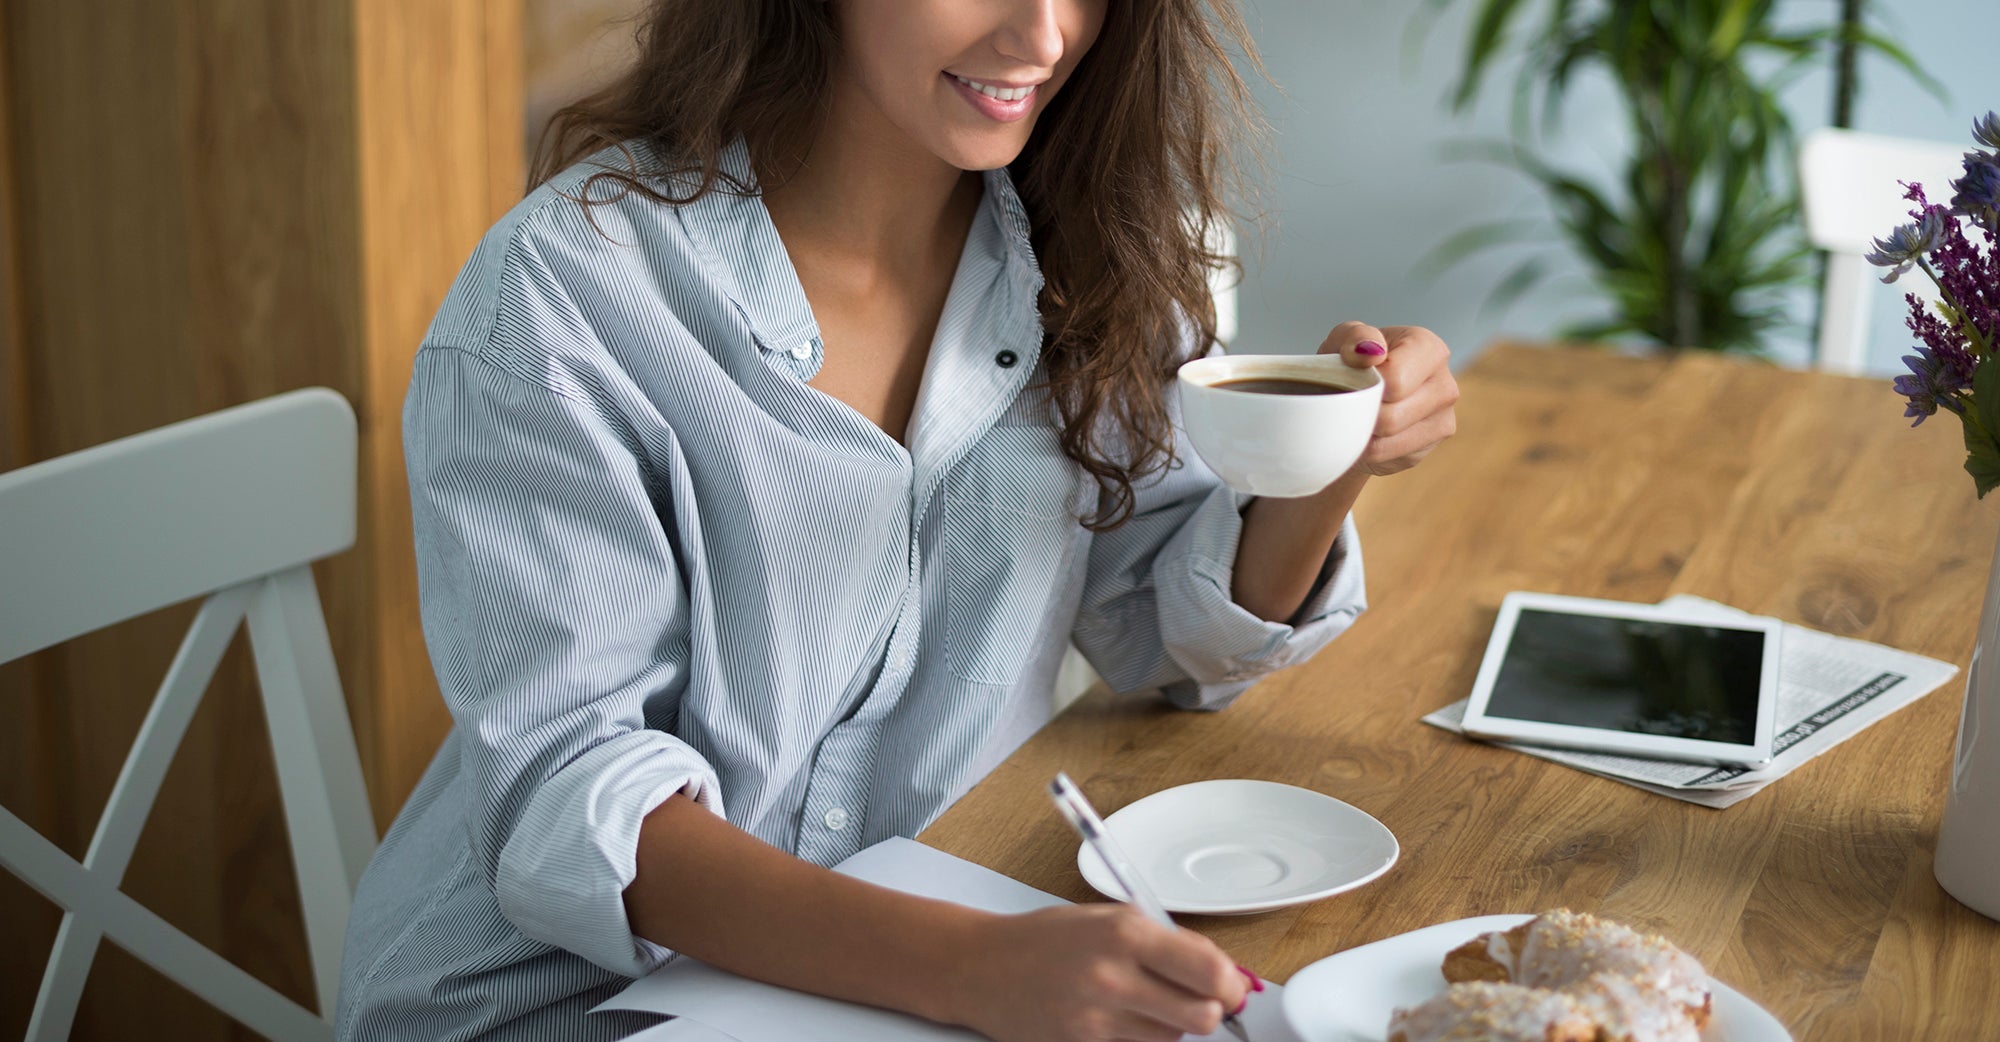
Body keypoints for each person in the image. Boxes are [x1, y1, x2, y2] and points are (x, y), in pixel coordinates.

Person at [335, 0, 1459, 1039]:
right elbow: (572, 798)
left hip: (913, 977)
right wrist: (975, 966)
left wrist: (1332, 452)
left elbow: (1166, 635)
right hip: (559, 998)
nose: (1041, 35)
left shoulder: (1096, 255)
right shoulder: (565, 292)